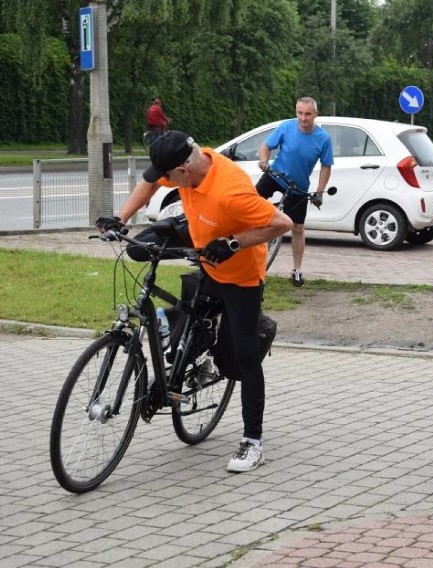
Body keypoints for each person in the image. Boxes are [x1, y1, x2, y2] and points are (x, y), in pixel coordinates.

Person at [96, 131, 293, 473]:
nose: (163, 181)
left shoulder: (231, 189)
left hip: (240, 276)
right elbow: (150, 183)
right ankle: (177, 350)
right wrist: (122, 217)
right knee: (145, 257)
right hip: (205, 256)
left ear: (183, 172)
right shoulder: (186, 160)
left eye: (169, 177)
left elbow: (281, 223)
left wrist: (232, 243)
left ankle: (252, 441)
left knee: (244, 358)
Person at [256, 97, 333, 287]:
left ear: (315, 114)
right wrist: (264, 161)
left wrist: (320, 192)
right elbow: (266, 146)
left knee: (298, 228)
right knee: (249, 204)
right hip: (275, 176)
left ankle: (297, 270)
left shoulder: (323, 138)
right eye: (300, 113)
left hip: (298, 187)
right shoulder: (286, 127)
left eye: (307, 114)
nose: (303, 118)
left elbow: (326, 166)